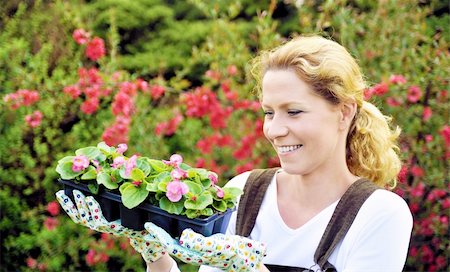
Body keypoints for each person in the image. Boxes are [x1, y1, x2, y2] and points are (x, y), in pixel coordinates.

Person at [57, 35, 413, 272]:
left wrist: (251, 269)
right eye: (269, 112)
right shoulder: (245, 192)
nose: (274, 129)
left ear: (345, 111)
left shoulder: (378, 215)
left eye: (294, 111)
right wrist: (155, 252)